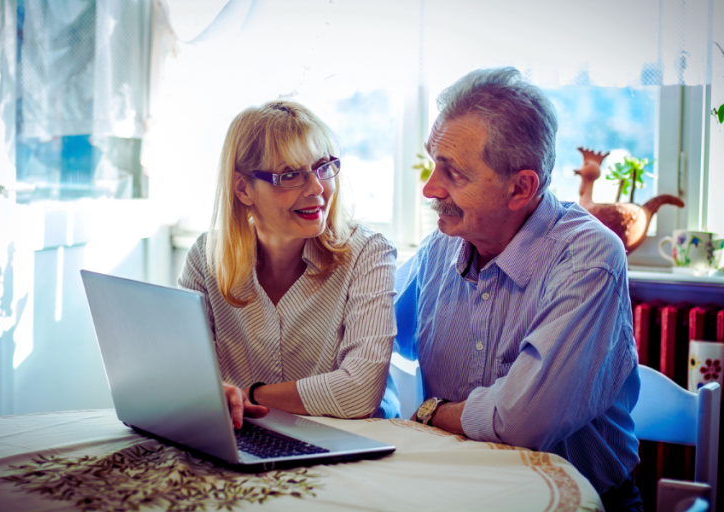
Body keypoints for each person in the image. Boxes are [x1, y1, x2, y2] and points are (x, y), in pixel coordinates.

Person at [395, 68, 642, 511]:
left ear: (521, 187)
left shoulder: (589, 258)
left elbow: (522, 421)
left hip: (583, 502)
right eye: (434, 164)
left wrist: (431, 412)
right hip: (458, 495)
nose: (430, 188)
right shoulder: (442, 245)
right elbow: (367, 336)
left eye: (452, 174)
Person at [178, 100, 398, 430]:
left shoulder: (367, 253)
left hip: (351, 437)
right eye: (290, 175)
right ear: (243, 188)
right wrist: (203, 391)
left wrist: (248, 395)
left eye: (323, 167)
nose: (317, 189)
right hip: (247, 435)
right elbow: (185, 375)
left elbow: (358, 392)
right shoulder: (206, 257)